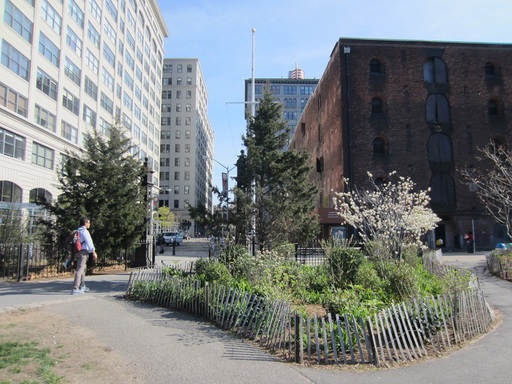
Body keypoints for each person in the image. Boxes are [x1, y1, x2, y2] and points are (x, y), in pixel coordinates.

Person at [71, 217, 98, 295]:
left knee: (82, 268)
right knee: (80, 270)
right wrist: (93, 252)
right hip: (83, 252)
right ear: (85, 223)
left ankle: (82, 285)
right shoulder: (85, 231)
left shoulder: (77, 231)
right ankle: (75, 288)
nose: (89, 224)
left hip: (77, 252)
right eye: (88, 222)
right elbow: (89, 242)